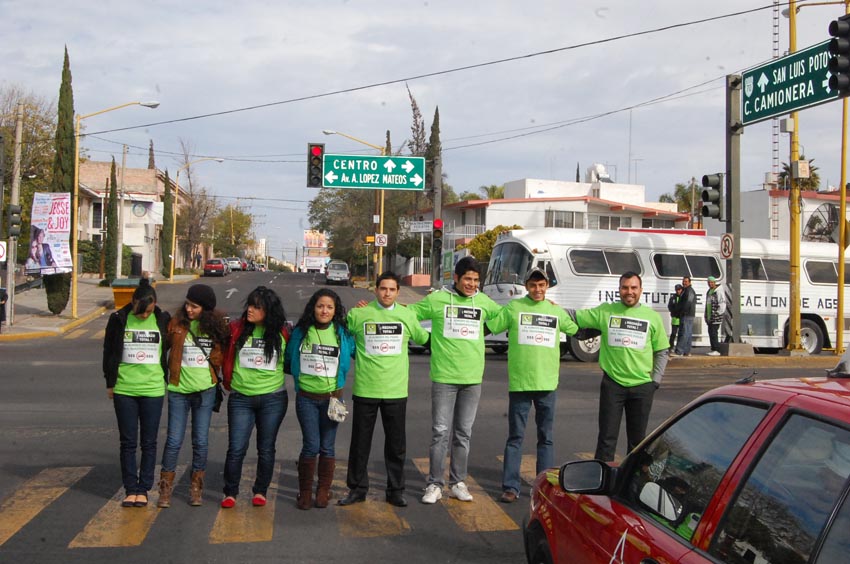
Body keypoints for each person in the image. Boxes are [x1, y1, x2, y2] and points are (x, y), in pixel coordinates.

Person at [409, 256, 502, 504]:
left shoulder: (483, 302)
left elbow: (504, 317)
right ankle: (434, 484)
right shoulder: (438, 299)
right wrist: (425, 340)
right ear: (456, 279)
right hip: (444, 378)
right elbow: (408, 315)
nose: (472, 284)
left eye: (475, 280)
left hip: (472, 379)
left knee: (463, 433)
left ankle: (458, 482)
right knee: (440, 432)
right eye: (467, 279)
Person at [485, 267, 578, 503]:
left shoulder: (554, 311)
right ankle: (511, 486)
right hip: (520, 384)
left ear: (547, 286)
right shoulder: (514, 308)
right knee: (515, 437)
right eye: (533, 285)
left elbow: (576, 328)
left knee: (545, 438)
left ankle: (543, 487)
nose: (538, 289)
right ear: (527, 286)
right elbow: (492, 325)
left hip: (547, 384)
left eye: (542, 285)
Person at [338, 272, 430, 508]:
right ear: (375, 290)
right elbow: (341, 338)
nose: (387, 293)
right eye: (383, 289)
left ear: (398, 292)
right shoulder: (359, 314)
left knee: (396, 446)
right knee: (360, 444)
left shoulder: (406, 315)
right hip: (365, 389)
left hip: (396, 390)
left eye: (391, 289)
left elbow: (425, 339)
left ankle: (395, 490)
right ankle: (357, 489)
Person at [572, 271, 669, 462]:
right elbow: (576, 316)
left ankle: (630, 485)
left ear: (641, 290)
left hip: (642, 387)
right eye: (625, 287)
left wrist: (654, 382)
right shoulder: (606, 311)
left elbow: (662, 352)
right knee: (607, 439)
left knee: (637, 443)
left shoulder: (652, 317)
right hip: (613, 385)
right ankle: (601, 484)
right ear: (619, 289)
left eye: (633, 288)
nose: (629, 292)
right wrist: (550, 310)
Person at [158, 284, 228, 508]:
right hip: (178, 390)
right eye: (188, 304)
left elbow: (222, 354)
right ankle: (165, 489)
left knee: (200, 441)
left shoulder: (217, 328)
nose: (189, 309)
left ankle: (196, 488)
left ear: (205, 310)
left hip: (205, 391)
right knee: (174, 440)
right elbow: (162, 348)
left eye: (195, 306)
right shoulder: (176, 324)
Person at [102, 278, 171, 507]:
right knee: (128, 442)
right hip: (125, 389)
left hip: (153, 389)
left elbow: (173, 343)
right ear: (132, 302)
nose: (144, 315)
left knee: (149, 442)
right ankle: (130, 488)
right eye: (141, 311)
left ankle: (144, 489)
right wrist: (110, 383)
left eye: (148, 311)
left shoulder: (162, 319)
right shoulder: (118, 319)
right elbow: (109, 352)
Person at [284, 289, 355, 510]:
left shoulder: (342, 333)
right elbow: (288, 360)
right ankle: (305, 493)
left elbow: (358, 350)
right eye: (320, 306)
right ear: (313, 308)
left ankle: (323, 491)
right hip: (306, 397)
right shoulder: (301, 332)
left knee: (328, 446)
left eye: (329, 307)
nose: (324, 311)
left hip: (333, 399)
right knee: (311, 444)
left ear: (336, 311)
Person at [220, 286, 289, 508]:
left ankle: (260, 490)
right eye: (249, 305)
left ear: (268, 311)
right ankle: (230, 492)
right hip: (241, 397)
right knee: (236, 447)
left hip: (273, 398)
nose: (250, 310)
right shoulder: (237, 329)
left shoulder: (283, 332)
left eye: (256, 307)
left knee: (266, 448)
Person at [673, 276, 696, 357]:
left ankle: (679, 351)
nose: (684, 283)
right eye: (683, 281)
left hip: (687, 315)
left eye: (686, 281)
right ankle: (687, 351)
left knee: (684, 333)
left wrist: (682, 312)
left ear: (690, 282)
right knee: (688, 333)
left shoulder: (689, 291)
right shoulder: (686, 290)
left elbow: (688, 303)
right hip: (687, 314)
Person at [705, 276, 726, 356]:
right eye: (709, 282)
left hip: (715, 317)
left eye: (712, 282)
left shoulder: (718, 291)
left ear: (714, 283)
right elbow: (707, 305)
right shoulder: (709, 291)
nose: (710, 284)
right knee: (711, 332)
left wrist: (717, 313)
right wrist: (706, 316)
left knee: (714, 333)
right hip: (710, 316)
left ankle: (716, 349)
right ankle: (713, 349)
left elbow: (722, 304)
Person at [667, 284, 683, 352]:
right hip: (675, 318)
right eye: (677, 290)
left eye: (679, 289)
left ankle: (679, 347)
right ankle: (671, 346)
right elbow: (669, 306)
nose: (678, 291)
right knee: (673, 333)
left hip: (681, 318)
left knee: (681, 333)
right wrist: (673, 313)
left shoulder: (683, 297)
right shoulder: (673, 297)